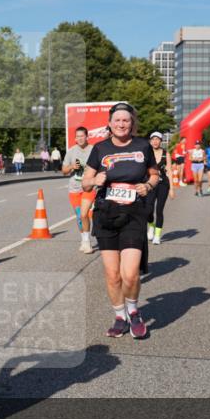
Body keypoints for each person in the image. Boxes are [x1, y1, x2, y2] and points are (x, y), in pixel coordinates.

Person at [82, 103, 159, 340]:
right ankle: (119, 316)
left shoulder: (142, 146)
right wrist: (95, 179)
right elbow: (85, 183)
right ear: (110, 123)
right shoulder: (100, 148)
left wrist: (147, 185)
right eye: (117, 120)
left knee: (130, 274)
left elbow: (155, 175)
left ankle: (134, 311)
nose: (122, 124)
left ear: (131, 123)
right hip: (106, 214)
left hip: (134, 213)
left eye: (126, 120)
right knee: (112, 274)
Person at [63, 127, 96, 254]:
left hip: (89, 187)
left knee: (84, 214)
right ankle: (84, 239)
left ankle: (87, 243)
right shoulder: (71, 152)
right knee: (79, 216)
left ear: (87, 136)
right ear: (75, 138)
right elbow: (63, 171)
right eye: (77, 136)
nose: (80, 138)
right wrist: (72, 166)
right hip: (74, 188)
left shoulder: (94, 150)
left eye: (82, 136)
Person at [144, 132, 174, 245]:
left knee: (159, 210)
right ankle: (151, 225)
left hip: (163, 185)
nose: (155, 141)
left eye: (158, 139)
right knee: (148, 209)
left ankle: (157, 235)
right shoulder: (146, 153)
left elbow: (169, 171)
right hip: (150, 184)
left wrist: (171, 189)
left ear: (161, 141)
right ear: (150, 141)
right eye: (153, 139)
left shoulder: (166, 154)